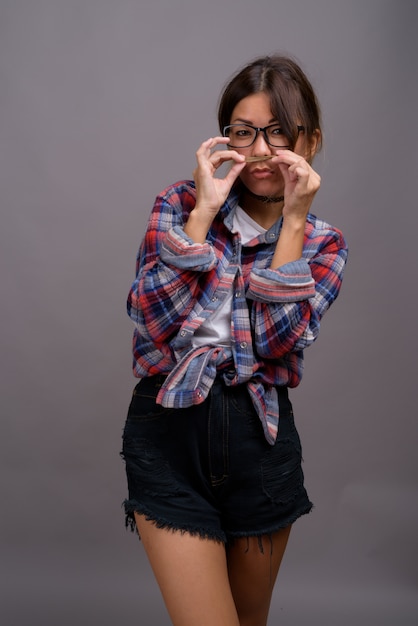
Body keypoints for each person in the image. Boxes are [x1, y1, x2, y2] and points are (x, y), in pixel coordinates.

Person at [121, 54, 348, 626]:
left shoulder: (324, 246)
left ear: (310, 139)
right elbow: (152, 320)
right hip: (168, 435)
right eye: (243, 133)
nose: (261, 151)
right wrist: (204, 213)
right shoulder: (179, 205)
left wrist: (293, 222)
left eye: (278, 132)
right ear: (224, 140)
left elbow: (275, 342)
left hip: (260, 444)